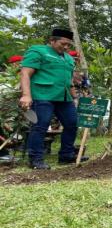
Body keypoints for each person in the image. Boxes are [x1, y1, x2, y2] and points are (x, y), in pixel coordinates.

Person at [19, 28, 88, 169]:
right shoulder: (38, 51)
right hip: (42, 95)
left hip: (64, 97)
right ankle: (35, 159)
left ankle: (66, 155)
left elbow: (68, 80)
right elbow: (25, 73)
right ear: (52, 41)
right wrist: (26, 95)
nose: (66, 47)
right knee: (40, 126)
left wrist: (74, 97)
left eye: (69, 45)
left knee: (72, 123)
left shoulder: (68, 58)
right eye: (63, 44)